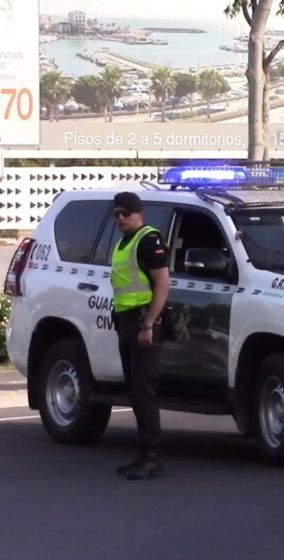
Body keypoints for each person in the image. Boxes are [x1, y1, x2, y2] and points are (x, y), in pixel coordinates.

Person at [110, 192, 171, 481]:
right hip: (126, 323)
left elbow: (162, 285)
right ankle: (142, 454)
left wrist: (148, 324)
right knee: (135, 390)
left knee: (144, 391)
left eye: (125, 213)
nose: (120, 218)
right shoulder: (123, 243)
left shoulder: (149, 239)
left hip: (143, 323)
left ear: (139, 214)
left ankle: (152, 457)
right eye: (116, 214)